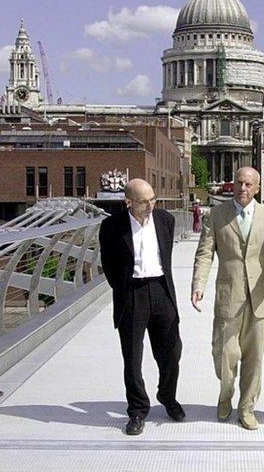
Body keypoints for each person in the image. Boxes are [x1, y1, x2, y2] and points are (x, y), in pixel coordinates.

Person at [191, 167, 264, 430]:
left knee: (254, 359)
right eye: (239, 183)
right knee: (224, 354)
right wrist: (198, 285)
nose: (243, 188)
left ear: (257, 188)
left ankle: (246, 407)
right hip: (228, 296)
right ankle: (225, 395)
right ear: (233, 185)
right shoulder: (215, 215)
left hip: (260, 297)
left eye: (248, 184)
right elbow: (205, 253)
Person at [99, 178, 184, 436]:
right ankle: (137, 409)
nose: (150, 206)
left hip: (161, 290)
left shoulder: (165, 220)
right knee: (133, 357)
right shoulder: (111, 226)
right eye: (144, 201)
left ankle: (167, 397)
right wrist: (124, 289)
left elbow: (166, 258)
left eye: (153, 200)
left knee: (172, 350)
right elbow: (109, 265)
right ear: (129, 203)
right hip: (132, 293)